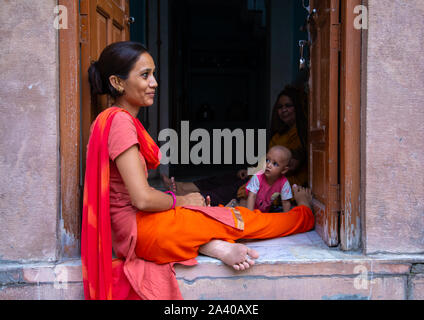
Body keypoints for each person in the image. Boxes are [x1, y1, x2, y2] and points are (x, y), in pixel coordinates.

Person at [82, 41, 315, 300]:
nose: (155, 83)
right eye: (145, 75)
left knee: (214, 215)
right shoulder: (120, 123)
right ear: (117, 82)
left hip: (135, 228)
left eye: (154, 74)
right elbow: (143, 199)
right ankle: (303, 215)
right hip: (139, 232)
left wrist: (181, 203)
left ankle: (211, 246)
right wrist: (181, 200)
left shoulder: (112, 120)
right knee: (238, 220)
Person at [162, 85, 308, 205]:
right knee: (227, 177)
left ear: (298, 107)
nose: (283, 110)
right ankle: (182, 188)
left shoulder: (302, 133)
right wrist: (251, 171)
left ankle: (193, 200)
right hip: (266, 174)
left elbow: (288, 166)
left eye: (288, 106)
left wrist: (255, 174)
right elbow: (269, 162)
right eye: (280, 107)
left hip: (277, 181)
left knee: (233, 188)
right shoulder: (279, 134)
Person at [245, 146, 293, 213]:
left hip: (265, 206)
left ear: (284, 170)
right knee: (242, 212)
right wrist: (250, 215)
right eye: (267, 160)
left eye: (275, 164)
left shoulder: (284, 183)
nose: (268, 165)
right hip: (248, 201)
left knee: (264, 216)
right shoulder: (258, 176)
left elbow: (286, 202)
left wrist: (286, 219)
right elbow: (251, 196)